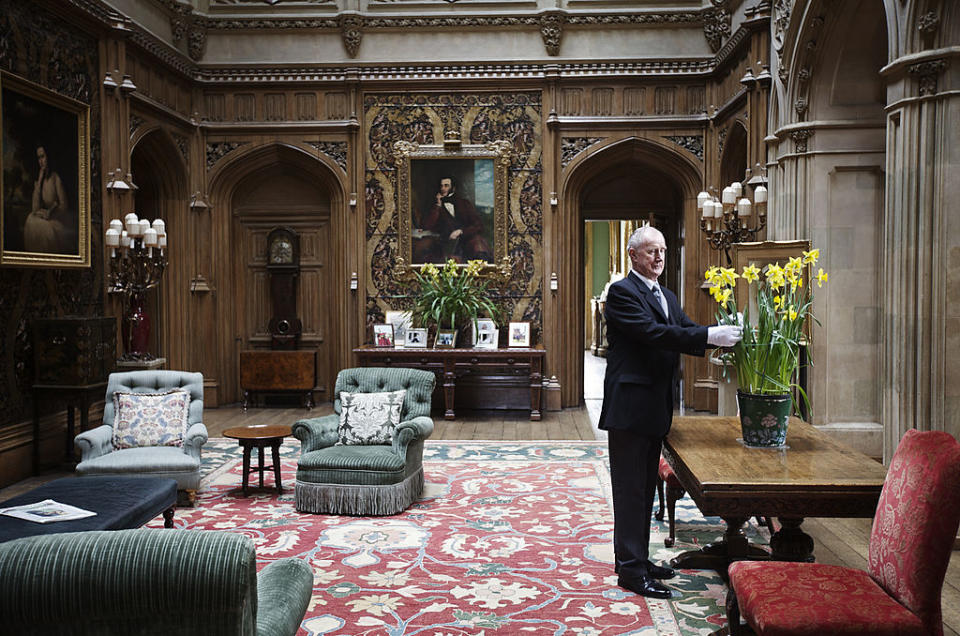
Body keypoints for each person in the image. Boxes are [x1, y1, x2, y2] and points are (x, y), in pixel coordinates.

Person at [599, 225, 742, 599]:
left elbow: (685, 329)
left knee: (645, 488)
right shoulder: (621, 293)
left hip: (653, 408)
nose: (659, 257)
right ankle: (631, 571)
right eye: (650, 251)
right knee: (630, 491)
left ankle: (636, 559)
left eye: (662, 251)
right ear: (633, 255)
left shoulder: (666, 294)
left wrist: (716, 335)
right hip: (630, 408)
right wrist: (710, 336)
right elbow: (654, 333)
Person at [416, 176, 491, 263]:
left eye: (446, 185)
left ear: (453, 188)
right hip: (445, 243)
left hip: (465, 241)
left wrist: (461, 231)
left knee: (478, 245)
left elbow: (478, 225)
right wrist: (437, 206)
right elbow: (426, 226)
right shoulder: (435, 205)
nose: (443, 188)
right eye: (441, 186)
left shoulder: (464, 203)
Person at [23, 145, 76, 254]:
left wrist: (50, 213)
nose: (41, 161)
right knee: (30, 219)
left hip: (59, 219)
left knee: (46, 229)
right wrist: (40, 179)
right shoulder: (40, 180)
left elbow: (64, 206)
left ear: (48, 157)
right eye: (39, 158)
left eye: (43, 157)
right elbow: (35, 208)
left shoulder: (55, 178)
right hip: (47, 217)